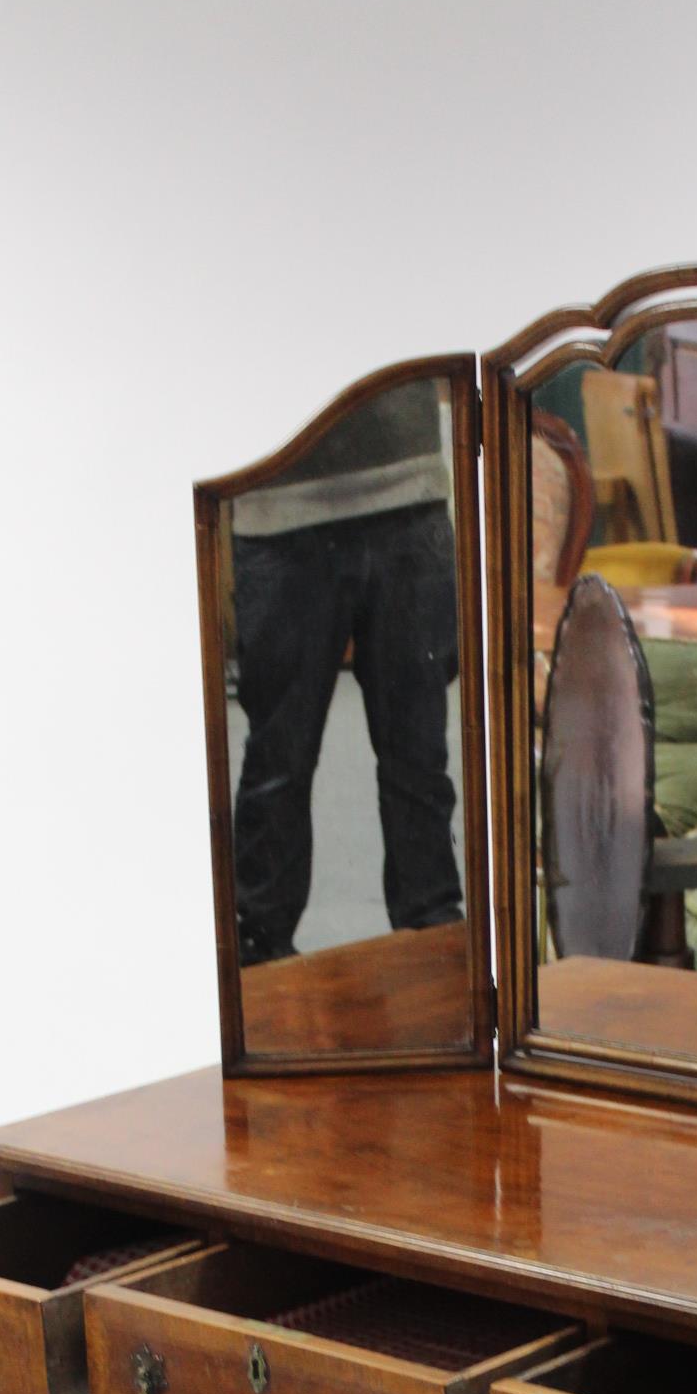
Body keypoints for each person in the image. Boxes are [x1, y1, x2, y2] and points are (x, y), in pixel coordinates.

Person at [229, 380, 464, 964]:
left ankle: (437, 961)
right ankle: (257, 972)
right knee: (278, 762)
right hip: (279, 507)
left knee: (418, 758)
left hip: (407, 491)